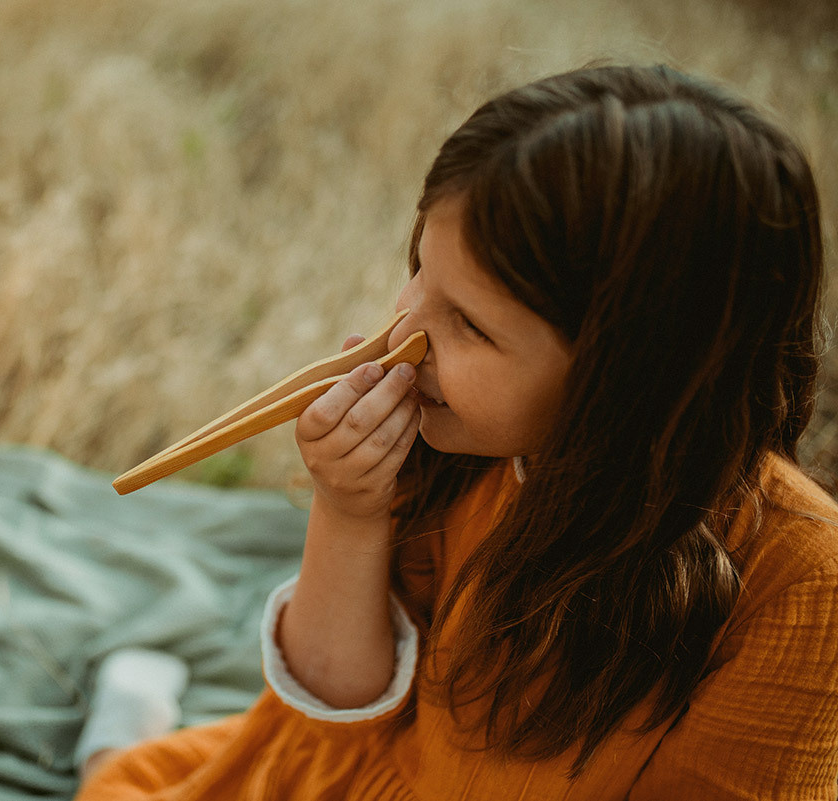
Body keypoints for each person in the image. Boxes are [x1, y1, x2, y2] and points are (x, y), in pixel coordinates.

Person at [73, 64, 838, 799]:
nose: (403, 333)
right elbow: (331, 708)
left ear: (637, 374)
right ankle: (124, 741)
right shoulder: (465, 445)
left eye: (467, 323)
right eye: (419, 273)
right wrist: (349, 507)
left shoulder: (804, 587)